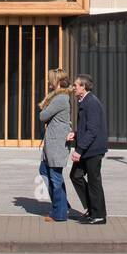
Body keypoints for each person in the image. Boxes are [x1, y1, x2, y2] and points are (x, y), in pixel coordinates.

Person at [66, 73, 108, 224]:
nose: (73, 88)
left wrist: (79, 150)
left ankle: (99, 215)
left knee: (94, 181)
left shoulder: (91, 102)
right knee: (76, 175)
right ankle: (92, 208)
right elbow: (87, 128)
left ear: (83, 87)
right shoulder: (84, 101)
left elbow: (93, 130)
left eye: (76, 85)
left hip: (93, 150)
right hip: (87, 148)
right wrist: (76, 135)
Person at [37, 67, 75, 223]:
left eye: (50, 79)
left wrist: (45, 109)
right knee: (47, 171)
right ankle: (63, 207)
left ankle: (59, 213)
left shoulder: (59, 99)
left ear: (57, 81)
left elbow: (43, 115)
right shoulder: (60, 97)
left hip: (56, 143)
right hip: (53, 142)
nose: (48, 81)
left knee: (55, 177)